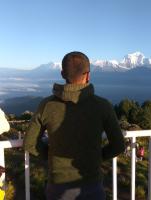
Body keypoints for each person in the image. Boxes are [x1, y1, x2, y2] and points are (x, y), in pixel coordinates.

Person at [23, 51, 125, 200]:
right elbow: (118, 145)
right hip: (92, 186)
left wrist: (50, 156)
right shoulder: (103, 106)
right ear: (88, 75)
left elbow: (29, 143)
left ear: (62, 74)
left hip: (57, 188)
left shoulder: (47, 105)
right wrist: (97, 157)